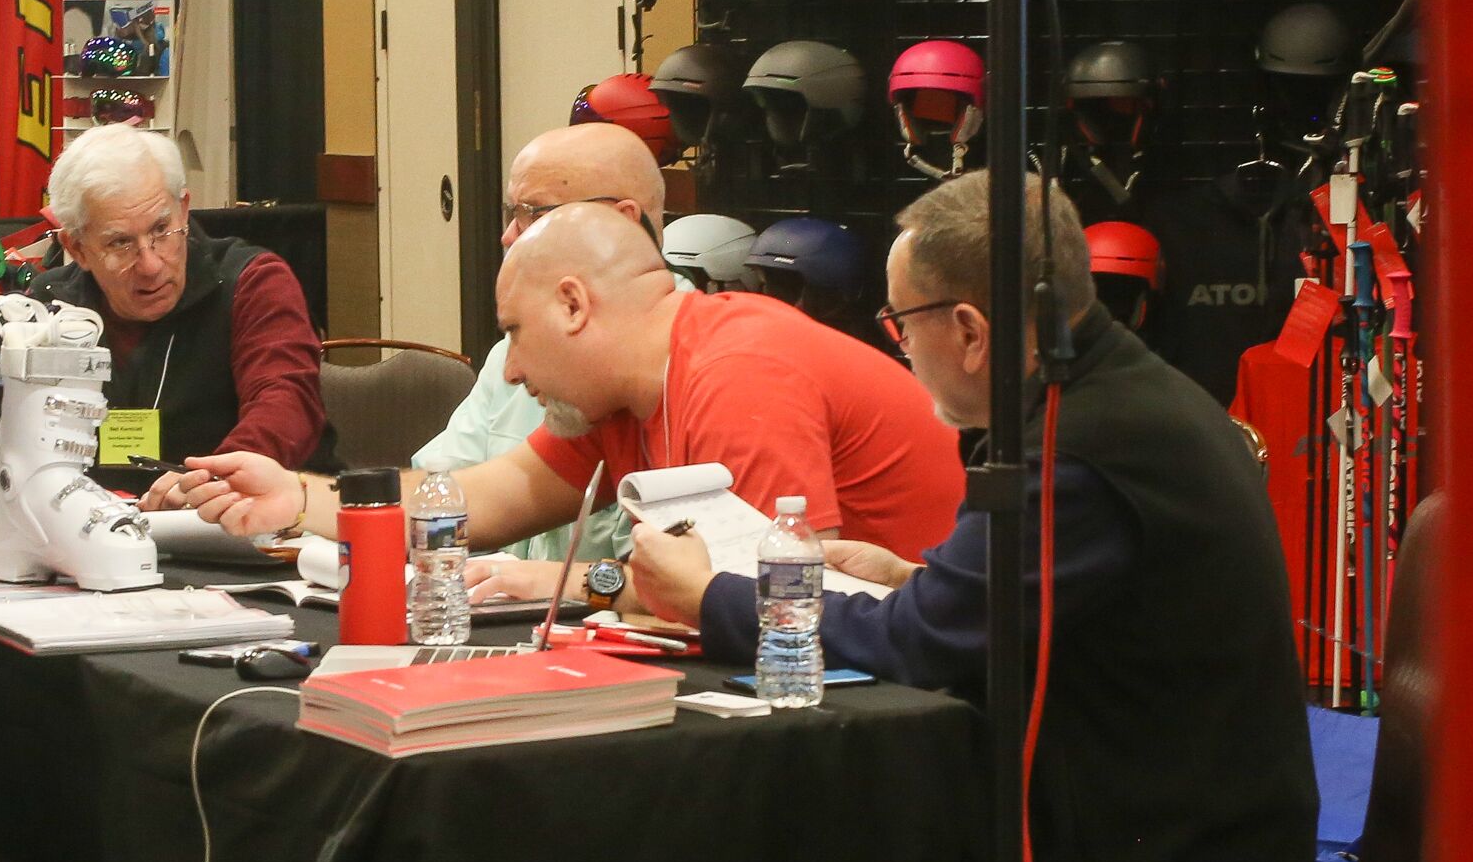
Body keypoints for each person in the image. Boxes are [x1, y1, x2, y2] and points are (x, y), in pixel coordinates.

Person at [625, 171, 1319, 862]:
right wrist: (912, 574)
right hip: (1187, 804)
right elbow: (997, 613)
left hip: (1170, 845)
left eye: (899, 325)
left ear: (969, 328)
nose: (895, 348)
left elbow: (919, 646)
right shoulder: (1119, 400)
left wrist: (710, 596)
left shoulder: (1081, 448)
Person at [178, 203, 963, 600]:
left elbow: (765, 597)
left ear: (574, 305)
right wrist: (296, 496)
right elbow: (474, 502)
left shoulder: (737, 367)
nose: (514, 370)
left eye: (516, 334)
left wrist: (569, 583)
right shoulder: (618, 397)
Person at [410, 121, 675, 563]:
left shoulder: (681, 363)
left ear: (621, 222)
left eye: (533, 213)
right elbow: (444, 498)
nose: (508, 236)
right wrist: (308, 502)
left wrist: (542, 580)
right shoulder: (514, 355)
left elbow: (683, 582)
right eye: (510, 214)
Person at [36, 123, 330, 503]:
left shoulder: (253, 283)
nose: (151, 264)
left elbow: (284, 404)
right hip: (90, 524)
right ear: (77, 248)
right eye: (121, 243)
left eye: (161, 229)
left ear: (184, 210)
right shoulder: (48, 308)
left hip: (246, 519)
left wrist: (210, 484)